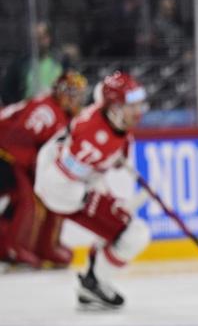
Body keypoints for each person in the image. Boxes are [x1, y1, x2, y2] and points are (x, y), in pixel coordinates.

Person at [33, 71, 152, 310]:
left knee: (124, 224)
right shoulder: (94, 137)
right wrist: (90, 197)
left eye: (139, 104)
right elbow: (65, 176)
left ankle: (93, 276)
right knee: (133, 234)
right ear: (115, 107)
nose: (137, 111)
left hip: (67, 180)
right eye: (131, 106)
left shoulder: (109, 118)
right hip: (62, 190)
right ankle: (92, 283)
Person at [0, 71, 88, 268]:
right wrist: (36, 167)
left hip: (12, 157)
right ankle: (10, 248)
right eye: (71, 93)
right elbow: (18, 138)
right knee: (27, 200)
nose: (75, 99)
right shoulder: (45, 110)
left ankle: (37, 247)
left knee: (34, 198)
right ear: (60, 92)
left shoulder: (62, 115)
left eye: (78, 95)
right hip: (6, 155)